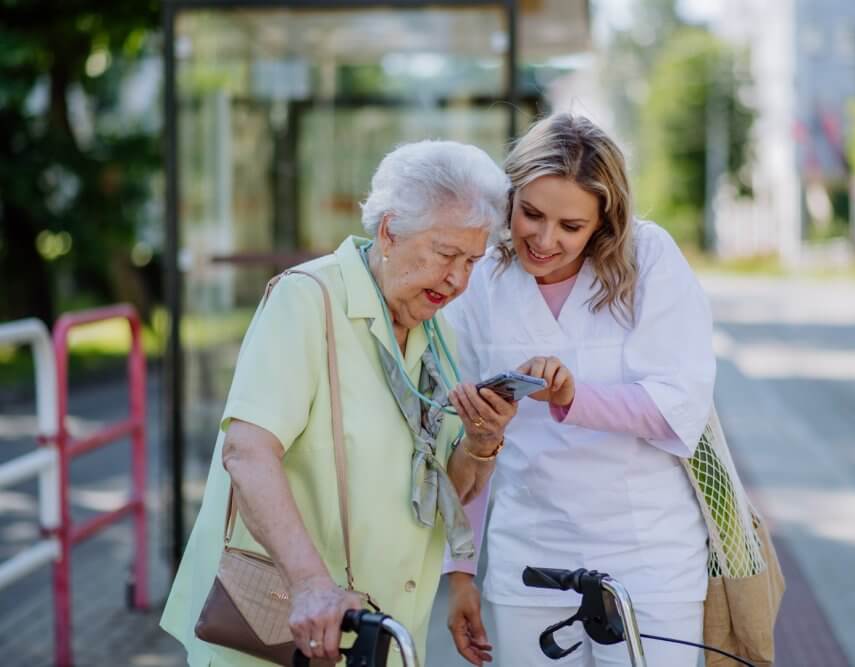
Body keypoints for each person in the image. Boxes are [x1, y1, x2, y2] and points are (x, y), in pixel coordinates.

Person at [161, 140, 518, 667]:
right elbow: (247, 452)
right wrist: (310, 585)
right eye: (446, 255)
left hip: (384, 635)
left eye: (471, 261)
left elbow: (450, 491)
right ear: (390, 230)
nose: (459, 280)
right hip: (288, 629)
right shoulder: (307, 299)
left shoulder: (437, 334)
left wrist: (483, 443)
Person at [443, 114, 716, 667]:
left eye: (571, 226)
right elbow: (466, 438)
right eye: (531, 215)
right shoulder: (482, 284)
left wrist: (572, 396)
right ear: (510, 198)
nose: (545, 241)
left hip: (649, 557)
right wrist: (461, 574)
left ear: (603, 224)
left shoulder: (649, 259)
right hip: (529, 557)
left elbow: (678, 406)